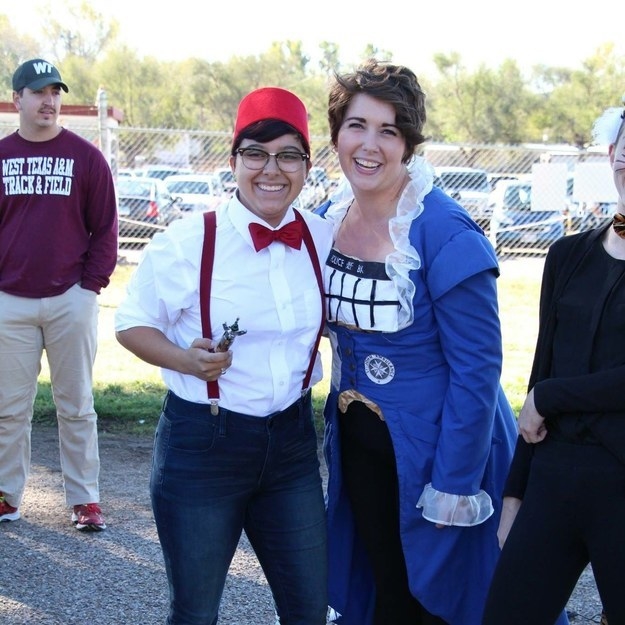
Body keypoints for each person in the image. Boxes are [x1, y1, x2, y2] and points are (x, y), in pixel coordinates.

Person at [316, 58, 524, 625]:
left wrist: (453, 483)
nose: (369, 144)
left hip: (444, 451)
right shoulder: (326, 218)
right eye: (357, 125)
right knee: (385, 584)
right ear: (336, 133)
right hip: (362, 444)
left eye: (389, 130)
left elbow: (478, 370)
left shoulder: (442, 230)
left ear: (409, 143)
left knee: (444, 600)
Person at [114, 87, 332, 625]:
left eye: (288, 155)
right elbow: (130, 323)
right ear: (233, 161)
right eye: (255, 153)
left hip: (292, 445)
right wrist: (186, 361)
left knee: (311, 608)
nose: (271, 170)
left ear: (307, 165)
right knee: (195, 613)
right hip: (203, 445)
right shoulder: (189, 241)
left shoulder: (325, 240)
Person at [482, 103, 625, 625]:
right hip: (556, 476)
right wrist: (516, 491)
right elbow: (541, 373)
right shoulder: (568, 255)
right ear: (612, 154)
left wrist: (552, 398)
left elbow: (548, 394)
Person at [0, 58, 118, 531]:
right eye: (39, 92)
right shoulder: (3, 155)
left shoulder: (86, 157)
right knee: (8, 408)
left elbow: (105, 229)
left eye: (56, 92)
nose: (50, 101)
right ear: (18, 99)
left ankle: (85, 500)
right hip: (10, 302)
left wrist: (89, 288)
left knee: (76, 405)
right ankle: (7, 496)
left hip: (71, 298)